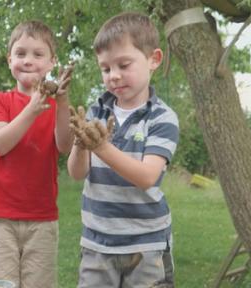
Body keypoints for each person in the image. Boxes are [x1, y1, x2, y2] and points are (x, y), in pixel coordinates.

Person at [67, 12, 179, 288]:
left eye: (123, 64)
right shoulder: (95, 111)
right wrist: (81, 146)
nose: (114, 76)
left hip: (146, 244)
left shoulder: (162, 118)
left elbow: (146, 177)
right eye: (105, 69)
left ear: (154, 59)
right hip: (96, 242)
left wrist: (100, 147)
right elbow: (76, 173)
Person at [0, 20, 73, 288]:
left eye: (38, 54)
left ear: (51, 62)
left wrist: (63, 101)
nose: (28, 60)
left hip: (42, 219)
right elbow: (0, 143)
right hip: (0, 219)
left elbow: (65, 146)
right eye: (20, 54)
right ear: (10, 59)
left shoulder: (58, 105)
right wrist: (33, 108)